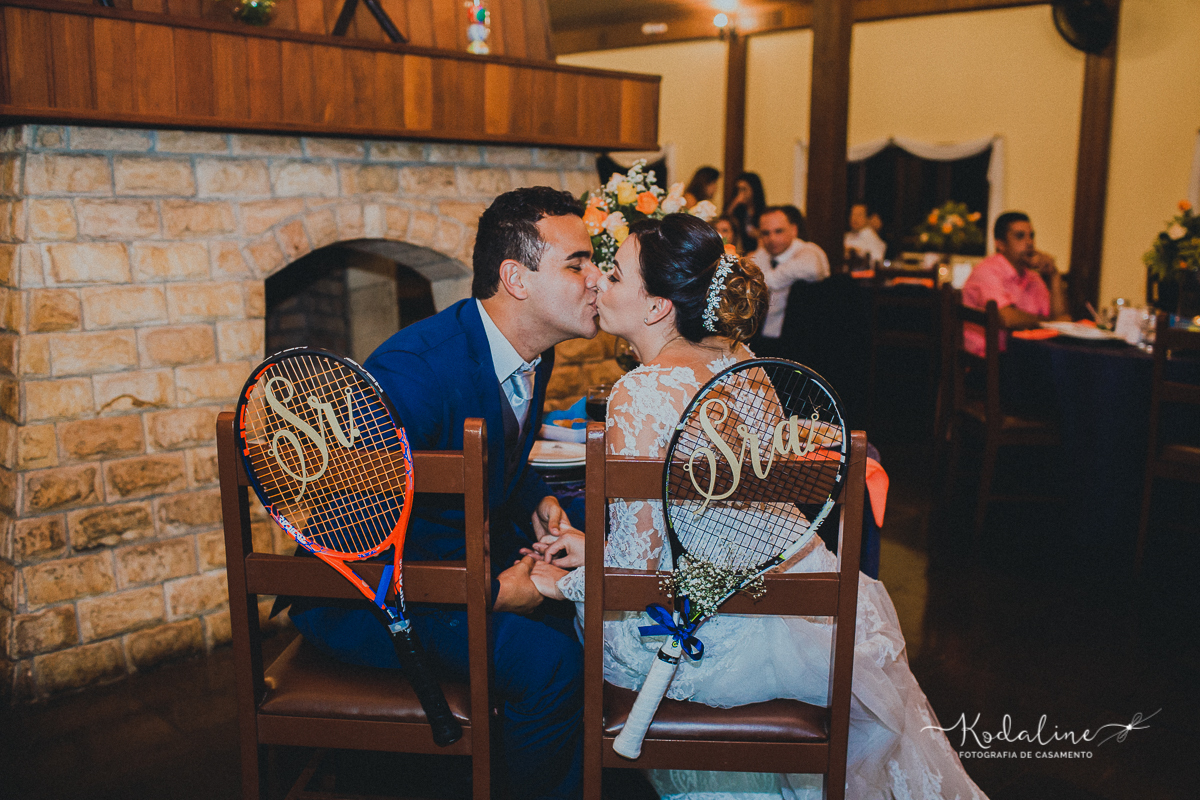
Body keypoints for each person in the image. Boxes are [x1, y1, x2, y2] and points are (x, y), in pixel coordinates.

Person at [522, 213, 989, 800]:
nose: (596, 283)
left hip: (706, 631)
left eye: (614, 276)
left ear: (656, 307)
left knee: (564, 631)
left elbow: (641, 578)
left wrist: (564, 582)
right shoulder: (746, 366)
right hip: (796, 603)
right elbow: (724, 526)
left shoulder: (637, 393)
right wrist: (593, 549)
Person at [289, 186, 599, 800]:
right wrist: (487, 592)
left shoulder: (529, 350)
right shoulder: (413, 371)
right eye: (578, 263)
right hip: (371, 598)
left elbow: (488, 463)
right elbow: (345, 522)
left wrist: (536, 496)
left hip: (445, 559)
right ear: (516, 278)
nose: (596, 279)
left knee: (581, 600)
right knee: (555, 666)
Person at [961, 211, 1069, 357]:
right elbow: (1006, 318)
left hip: (1020, 355)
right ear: (1000, 244)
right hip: (987, 361)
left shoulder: (1032, 277)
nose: (1029, 242)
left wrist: (1054, 274)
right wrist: (1050, 322)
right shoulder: (987, 271)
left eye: (1031, 235)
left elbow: (1061, 317)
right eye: (1020, 236)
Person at [749, 205, 830, 357]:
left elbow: (770, 280)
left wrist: (759, 277)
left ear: (794, 230)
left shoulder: (810, 252)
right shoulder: (763, 254)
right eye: (765, 233)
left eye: (778, 231)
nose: (772, 238)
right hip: (763, 340)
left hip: (803, 343)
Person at [724, 171, 766, 252]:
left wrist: (758, 234)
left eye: (744, 189)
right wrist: (734, 203)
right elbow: (726, 221)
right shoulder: (738, 210)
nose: (741, 193)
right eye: (738, 190)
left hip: (757, 250)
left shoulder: (761, 211)